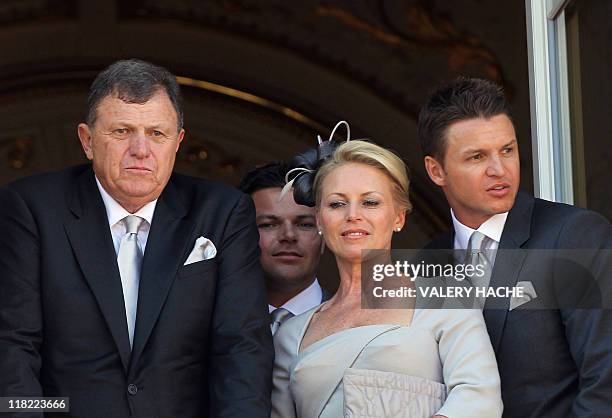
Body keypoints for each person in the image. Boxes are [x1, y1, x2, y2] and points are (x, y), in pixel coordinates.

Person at [0, 59, 273, 418]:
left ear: (178, 142)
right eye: (122, 131)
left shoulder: (222, 212)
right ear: (87, 140)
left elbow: (240, 350)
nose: (141, 150)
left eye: (156, 134)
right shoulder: (32, 208)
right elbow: (13, 347)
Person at [272, 130, 502, 418]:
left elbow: (479, 398)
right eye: (337, 204)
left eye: (370, 202)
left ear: (398, 217)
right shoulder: (291, 334)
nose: (353, 214)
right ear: (319, 219)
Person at [419, 76, 612, 417]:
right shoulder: (424, 263)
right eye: (477, 157)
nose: (500, 169)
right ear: (436, 171)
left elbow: (605, 381)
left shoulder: (575, 235)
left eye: (507, 150)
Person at [239, 162, 332, 334]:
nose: (288, 235)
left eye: (305, 224)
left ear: (325, 236)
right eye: (268, 225)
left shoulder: (361, 324)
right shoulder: (210, 321)